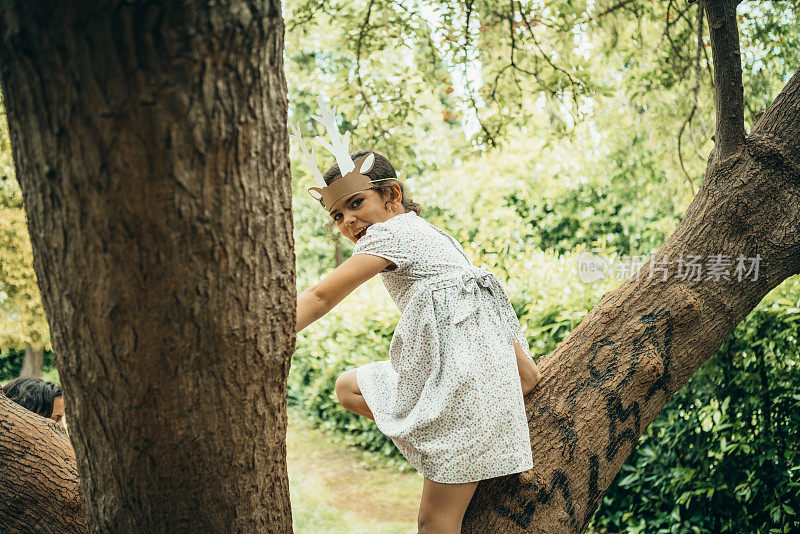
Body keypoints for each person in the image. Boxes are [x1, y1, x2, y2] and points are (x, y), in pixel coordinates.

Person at [293, 100, 542, 534]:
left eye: (356, 203)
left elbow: (318, 296)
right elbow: (493, 314)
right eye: (338, 216)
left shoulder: (393, 232)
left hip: (463, 390)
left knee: (434, 523)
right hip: (479, 379)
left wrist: (260, 333)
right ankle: (455, 447)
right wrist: (522, 372)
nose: (349, 221)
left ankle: (449, 445)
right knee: (349, 387)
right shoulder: (433, 238)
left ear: (392, 196)